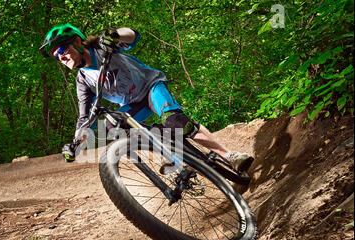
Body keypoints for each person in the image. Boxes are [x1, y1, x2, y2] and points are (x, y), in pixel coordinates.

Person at [39, 23, 254, 172]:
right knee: (110, 128)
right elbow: (85, 118)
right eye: (56, 55)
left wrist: (115, 34)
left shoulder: (101, 47)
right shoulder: (82, 80)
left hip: (151, 87)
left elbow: (132, 35)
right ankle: (172, 153)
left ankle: (229, 156)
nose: (61, 56)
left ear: (77, 41)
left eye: (62, 48)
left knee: (177, 123)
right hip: (132, 104)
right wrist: (76, 143)